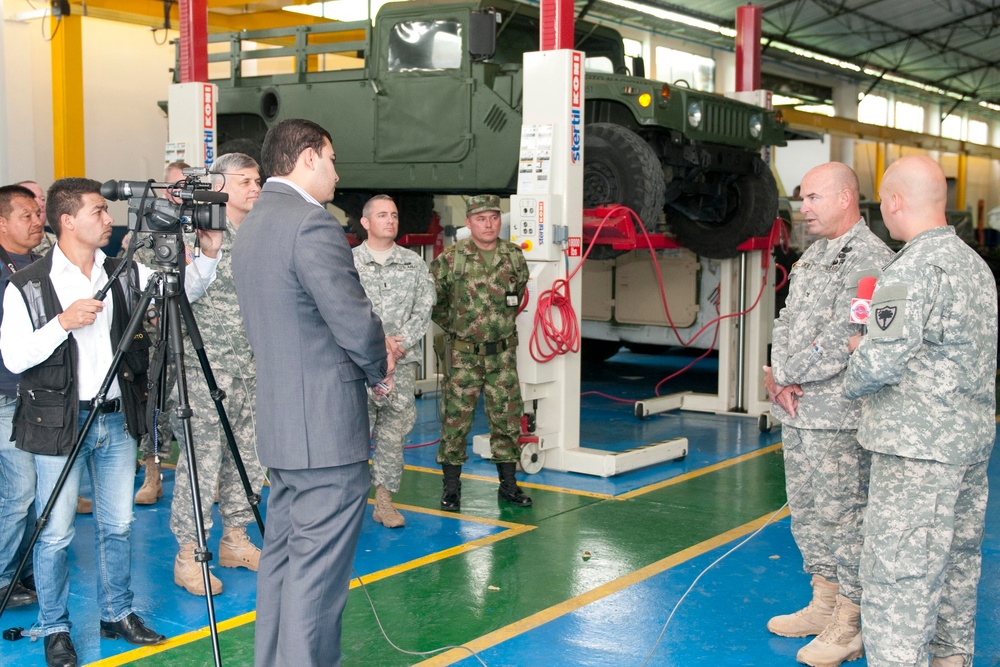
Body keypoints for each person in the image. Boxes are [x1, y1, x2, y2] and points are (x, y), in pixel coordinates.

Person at [0, 178, 221, 667]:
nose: (108, 219)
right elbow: (14, 358)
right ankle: (55, 626)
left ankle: (117, 612)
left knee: (118, 526)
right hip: (60, 424)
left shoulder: (123, 272)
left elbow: (184, 289)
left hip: (117, 421)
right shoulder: (29, 284)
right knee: (55, 532)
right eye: (98, 211)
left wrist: (207, 252)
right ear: (67, 221)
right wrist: (61, 323)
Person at [231, 118, 392, 667]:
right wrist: (379, 364)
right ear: (307, 158)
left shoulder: (253, 223)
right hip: (324, 430)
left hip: (283, 424)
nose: (337, 172)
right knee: (317, 577)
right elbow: (350, 318)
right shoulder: (311, 225)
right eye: (331, 159)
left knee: (283, 560)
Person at [844, 155, 997, 667]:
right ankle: (951, 659)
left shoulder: (908, 271)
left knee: (898, 571)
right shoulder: (976, 267)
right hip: (970, 444)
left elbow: (879, 361)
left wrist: (855, 356)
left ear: (893, 203)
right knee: (955, 562)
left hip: (916, 451)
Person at [763, 162, 893, 667]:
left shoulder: (870, 259)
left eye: (814, 198)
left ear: (845, 198)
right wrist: (776, 378)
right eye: (802, 198)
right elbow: (787, 318)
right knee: (810, 513)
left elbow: (845, 337)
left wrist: (787, 375)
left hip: (839, 416)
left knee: (845, 518)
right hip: (797, 410)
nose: (804, 208)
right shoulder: (813, 256)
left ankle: (849, 623)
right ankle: (822, 603)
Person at [170, 152, 265, 595]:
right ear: (219, 186)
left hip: (250, 370)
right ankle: (189, 554)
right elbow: (179, 293)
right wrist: (208, 250)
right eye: (244, 180)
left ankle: (235, 539)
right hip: (204, 370)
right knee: (201, 465)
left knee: (247, 460)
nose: (255, 187)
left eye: (257, 180)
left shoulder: (259, 234)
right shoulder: (195, 232)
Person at [429, 194, 531, 510]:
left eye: (494, 217)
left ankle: (509, 487)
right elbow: (436, 304)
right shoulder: (450, 259)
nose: (488, 224)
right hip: (464, 357)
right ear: (469, 222)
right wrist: (462, 328)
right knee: (455, 421)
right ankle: (451, 489)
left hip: (502, 356)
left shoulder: (514, 257)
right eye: (481, 219)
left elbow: (518, 294)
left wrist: (494, 328)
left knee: (507, 419)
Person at [352, 194, 434, 528]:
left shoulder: (413, 263)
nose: (390, 220)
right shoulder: (347, 262)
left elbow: (424, 307)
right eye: (382, 215)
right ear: (365, 222)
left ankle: (383, 502)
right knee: (353, 437)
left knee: (392, 435)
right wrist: (375, 344)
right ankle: (349, 504)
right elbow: (340, 310)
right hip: (359, 365)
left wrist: (397, 347)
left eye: (395, 215)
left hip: (400, 366)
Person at [124, 160, 190, 506]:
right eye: (174, 187)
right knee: (154, 404)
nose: (179, 194)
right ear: (164, 191)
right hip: (155, 335)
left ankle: (206, 481)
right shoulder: (144, 235)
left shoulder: (202, 231)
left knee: (198, 405)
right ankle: (153, 474)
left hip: (195, 337)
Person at [0, 184, 45, 610]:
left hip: (33, 393)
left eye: (38, 214)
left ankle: (23, 568)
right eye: (26, 215)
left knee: (29, 491)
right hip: (4, 396)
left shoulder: (39, 263)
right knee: (19, 490)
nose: (37, 222)